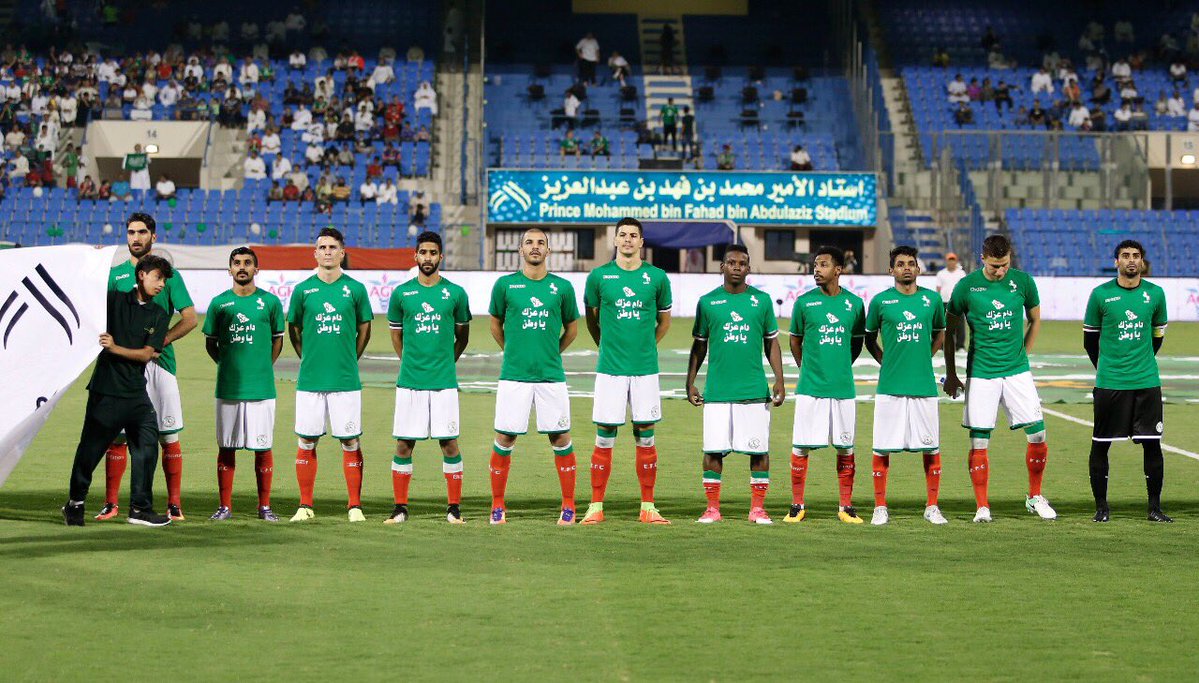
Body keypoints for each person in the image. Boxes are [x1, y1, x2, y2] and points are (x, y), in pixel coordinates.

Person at [942, 236, 1055, 523]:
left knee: (1038, 434)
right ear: (982, 259)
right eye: (994, 266)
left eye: (1004, 265)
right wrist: (953, 374)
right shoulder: (966, 287)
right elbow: (950, 331)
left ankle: (1035, 496)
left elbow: (1035, 319)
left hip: (1017, 371)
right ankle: (982, 506)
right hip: (981, 373)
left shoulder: (1024, 282)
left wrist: (1024, 357)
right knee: (979, 441)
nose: (1000, 272)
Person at [96, 214, 197, 522]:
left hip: (161, 366)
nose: (135, 237)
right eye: (131, 232)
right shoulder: (114, 275)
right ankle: (111, 503)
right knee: (118, 436)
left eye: (142, 232)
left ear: (153, 237)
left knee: (168, 435)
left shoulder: (169, 276)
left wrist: (159, 341)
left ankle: (174, 504)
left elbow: (190, 318)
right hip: (124, 368)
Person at [62, 255, 174, 528]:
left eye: (164, 280)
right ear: (141, 275)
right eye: (158, 277)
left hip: (137, 393)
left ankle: (140, 509)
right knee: (90, 451)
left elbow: (147, 354)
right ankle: (75, 503)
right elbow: (84, 289)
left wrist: (114, 348)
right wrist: (96, 258)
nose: (161, 284)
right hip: (106, 391)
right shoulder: (112, 300)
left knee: (147, 447)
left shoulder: (159, 314)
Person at [580, 218, 673, 525]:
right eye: (623, 235)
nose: (628, 239)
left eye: (634, 235)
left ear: (641, 242)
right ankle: (596, 506)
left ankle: (648, 506)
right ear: (615, 240)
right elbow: (592, 320)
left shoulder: (657, 278)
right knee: (605, 435)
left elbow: (664, 323)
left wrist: (644, 345)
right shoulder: (599, 277)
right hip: (610, 369)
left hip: (645, 368)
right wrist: (607, 345)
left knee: (645, 435)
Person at [686, 244, 786, 524]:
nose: (737, 267)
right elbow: (699, 347)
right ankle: (712, 508)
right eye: (731, 262)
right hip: (717, 392)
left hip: (753, 391)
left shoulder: (762, 301)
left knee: (759, 451)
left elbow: (771, 343)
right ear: (723, 267)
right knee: (713, 451)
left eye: (742, 263)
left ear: (748, 269)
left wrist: (779, 379)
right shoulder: (707, 302)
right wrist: (690, 382)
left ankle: (757, 509)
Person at [486, 228, 580, 525]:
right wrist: (513, 351)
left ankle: (568, 505)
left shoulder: (562, 288)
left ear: (548, 251)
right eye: (529, 242)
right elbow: (495, 325)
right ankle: (498, 505)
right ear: (520, 249)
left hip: (551, 375)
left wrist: (552, 352)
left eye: (541, 243)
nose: (535, 247)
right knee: (505, 436)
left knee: (561, 436)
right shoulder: (505, 285)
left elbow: (572, 329)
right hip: (514, 375)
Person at [287, 227, 374, 523]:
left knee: (350, 442)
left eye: (332, 247)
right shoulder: (303, 290)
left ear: (342, 252)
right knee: (306, 441)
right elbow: (294, 330)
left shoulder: (356, 289)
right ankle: (305, 505)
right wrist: (308, 358)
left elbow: (365, 328)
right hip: (310, 379)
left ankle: (354, 506)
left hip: (345, 379)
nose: (327, 251)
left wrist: (350, 357)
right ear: (315, 253)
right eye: (322, 247)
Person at [384, 232, 472, 524]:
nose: (428, 258)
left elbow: (462, 337)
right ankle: (400, 508)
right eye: (423, 253)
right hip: (410, 381)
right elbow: (396, 335)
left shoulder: (456, 293)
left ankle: (454, 508)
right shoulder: (402, 294)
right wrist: (409, 361)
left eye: (433, 253)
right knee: (404, 445)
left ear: (441, 257)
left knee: (449, 443)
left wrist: (446, 361)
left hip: (444, 382)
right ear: (416, 256)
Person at [1083, 240, 1170, 523]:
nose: (1131, 260)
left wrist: (1140, 363)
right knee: (1101, 444)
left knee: (1152, 444)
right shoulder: (1100, 295)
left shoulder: (1156, 294)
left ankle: (1154, 508)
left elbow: (1157, 336)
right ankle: (1101, 508)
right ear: (1116, 261)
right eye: (1125, 256)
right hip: (1111, 383)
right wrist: (1109, 368)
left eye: (1136, 256)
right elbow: (1090, 342)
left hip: (1146, 381)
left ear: (1142, 262)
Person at [863, 246, 947, 526]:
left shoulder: (932, 300)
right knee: (882, 448)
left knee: (931, 447)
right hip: (890, 386)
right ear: (891, 270)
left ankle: (932, 506)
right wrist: (884, 361)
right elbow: (869, 337)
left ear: (918, 269)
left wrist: (926, 356)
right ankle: (880, 507)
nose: (906, 268)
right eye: (900, 264)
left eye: (911, 263)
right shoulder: (880, 302)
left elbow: (940, 333)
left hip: (923, 385)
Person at [203, 247, 285, 521]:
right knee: (226, 447)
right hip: (228, 387)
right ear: (229, 269)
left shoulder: (270, 303)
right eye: (236, 263)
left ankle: (264, 507)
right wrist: (228, 365)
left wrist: (261, 366)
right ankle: (225, 506)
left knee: (263, 447)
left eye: (247, 263)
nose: (242, 267)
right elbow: (210, 344)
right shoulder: (219, 304)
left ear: (256, 269)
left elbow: (277, 340)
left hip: (261, 387)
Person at [786, 247, 866, 524]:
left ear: (838, 270)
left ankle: (845, 506)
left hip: (843, 387)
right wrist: (805, 367)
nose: (816, 269)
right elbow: (794, 339)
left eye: (823, 265)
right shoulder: (804, 302)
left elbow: (857, 342)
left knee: (845, 447)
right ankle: (797, 505)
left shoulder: (855, 304)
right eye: (815, 264)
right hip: (810, 387)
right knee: (801, 446)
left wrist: (841, 364)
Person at [935, 252, 968, 351]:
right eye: (949, 260)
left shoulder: (961, 273)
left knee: (960, 325)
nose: (951, 262)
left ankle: (960, 346)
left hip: (957, 302)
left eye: (953, 260)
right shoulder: (941, 274)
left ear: (956, 261)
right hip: (944, 302)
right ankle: (941, 345)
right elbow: (938, 288)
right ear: (946, 261)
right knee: (943, 325)